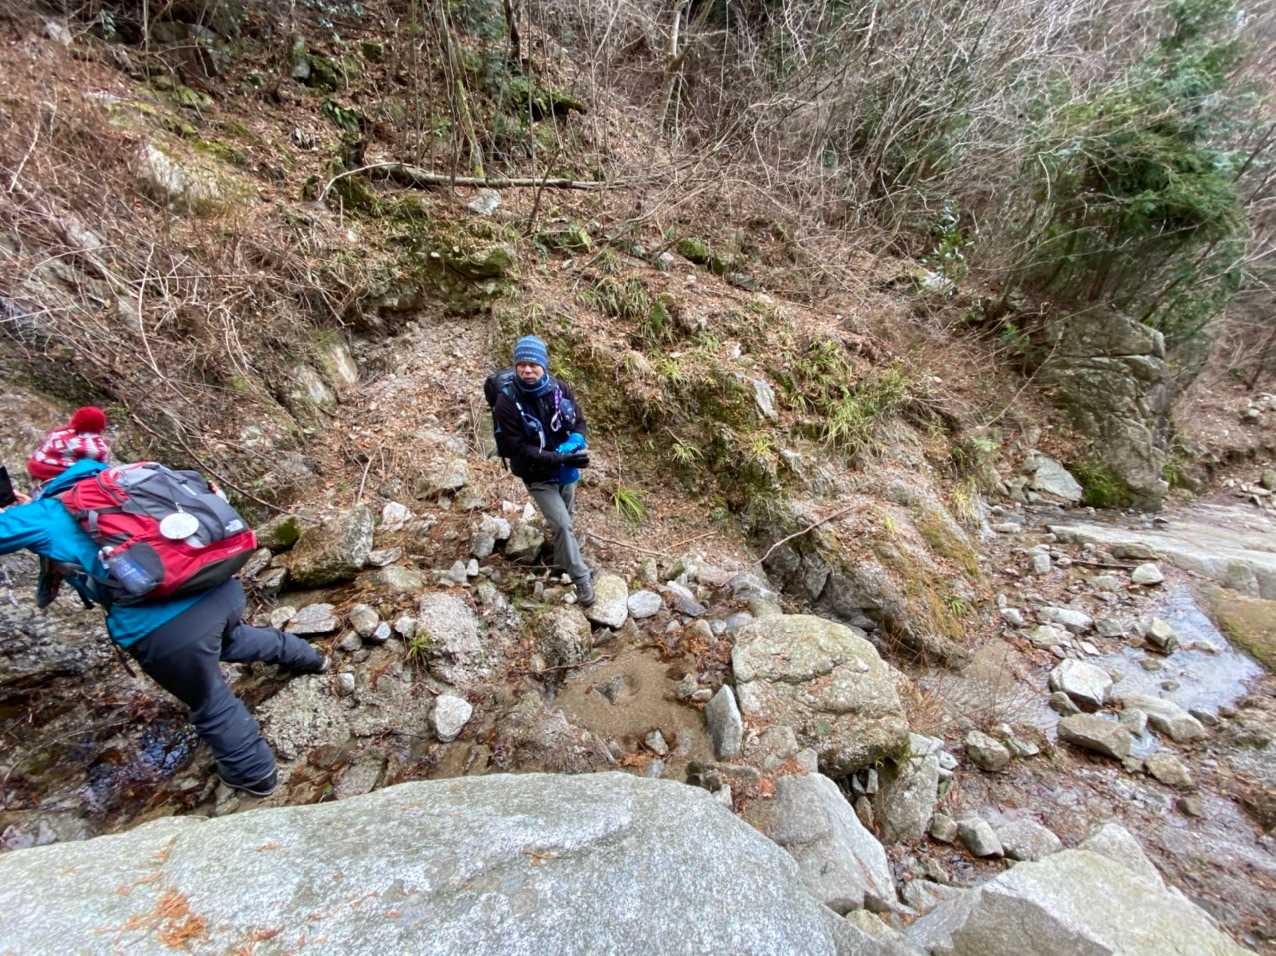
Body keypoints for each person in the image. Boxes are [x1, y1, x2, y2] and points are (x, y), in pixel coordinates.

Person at [0, 451, 326, 798]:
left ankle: (256, 778)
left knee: (209, 698)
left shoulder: (43, 514)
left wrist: (14, 512)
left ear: (44, 480)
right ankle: (312, 658)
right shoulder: (127, 478)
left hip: (167, 629)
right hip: (221, 588)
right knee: (230, 638)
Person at [491, 335, 596, 605]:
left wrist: (576, 440)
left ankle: (561, 563)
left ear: (544, 366)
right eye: (521, 365)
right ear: (516, 366)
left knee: (566, 519)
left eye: (533, 365)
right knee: (562, 524)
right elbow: (518, 448)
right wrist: (560, 458)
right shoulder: (506, 402)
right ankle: (582, 578)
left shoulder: (559, 389)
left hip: (566, 468)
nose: (527, 370)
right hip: (536, 472)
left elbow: (579, 421)